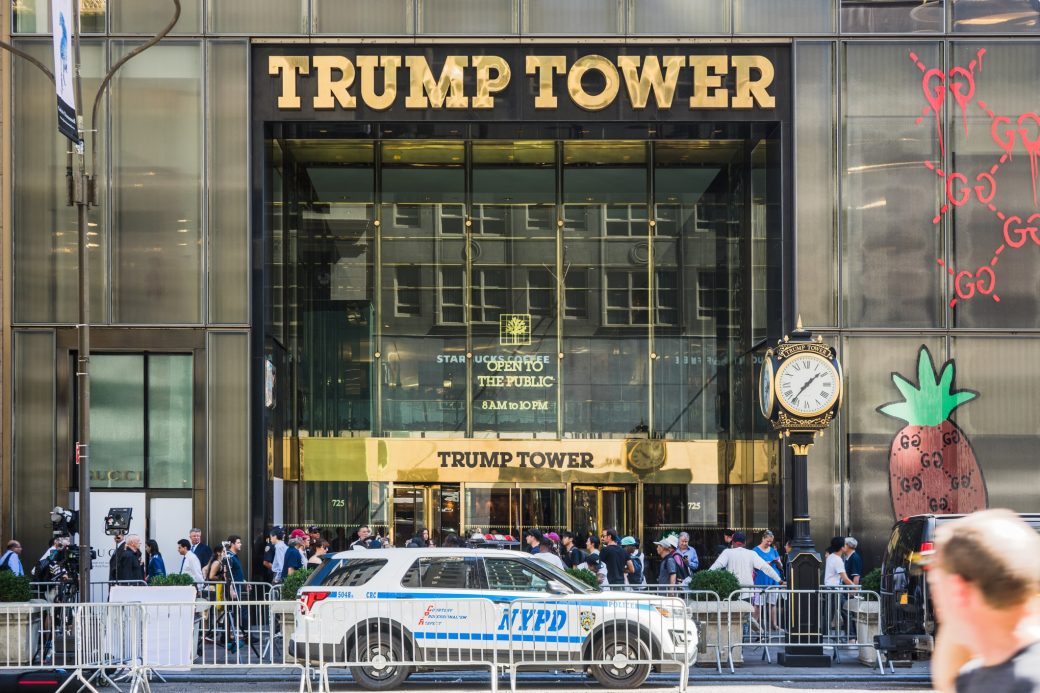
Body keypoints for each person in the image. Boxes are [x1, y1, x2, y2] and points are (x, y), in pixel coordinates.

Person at [927, 509, 1040, 693]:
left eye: (935, 584)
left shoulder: (1010, 683)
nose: (935, 597)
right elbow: (949, 680)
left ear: (958, 590)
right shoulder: (987, 674)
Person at [709, 531, 783, 593]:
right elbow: (766, 568)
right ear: (744, 543)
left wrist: (705, 578)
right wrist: (780, 581)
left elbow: (716, 566)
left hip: (733, 591)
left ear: (733, 542)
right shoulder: (751, 553)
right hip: (748, 592)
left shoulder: (727, 552)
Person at [751, 530, 784, 631]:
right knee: (758, 604)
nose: (769, 543)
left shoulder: (773, 550)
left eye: (771, 541)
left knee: (772, 604)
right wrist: (765, 564)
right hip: (761, 580)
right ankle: (754, 626)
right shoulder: (755, 551)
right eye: (767, 541)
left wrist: (778, 563)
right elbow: (752, 566)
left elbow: (780, 566)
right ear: (763, 538)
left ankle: (774, 625)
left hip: (773, 580)